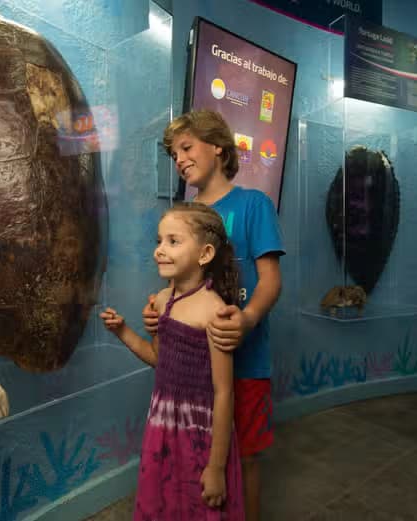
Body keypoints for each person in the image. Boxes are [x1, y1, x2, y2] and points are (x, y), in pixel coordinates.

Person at [143, 110, 284, 521]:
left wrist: (248, 318)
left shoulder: (254, 204)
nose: (179, 159)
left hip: (245, 362)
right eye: (174, 154)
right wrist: (158, 313)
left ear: (219, 147)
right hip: (191, 374)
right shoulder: (181, 215)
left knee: (246, 457)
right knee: (194, 466)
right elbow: (174, 285)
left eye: (186, 147)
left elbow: (271, 280)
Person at [101, 202, 245, 520]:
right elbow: (158, 359)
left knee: (198, 505)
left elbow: (224, 392)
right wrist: (123, 331)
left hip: (199, 432)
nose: (159, 250)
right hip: (163, 426)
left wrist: (216, 467)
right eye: (159, 241)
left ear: (205, 254)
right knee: (164, 503)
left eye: (173, 241)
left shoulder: (213, 311)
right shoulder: (163, 300)